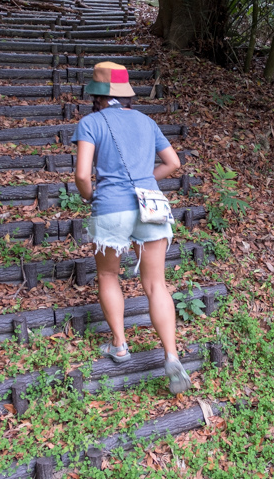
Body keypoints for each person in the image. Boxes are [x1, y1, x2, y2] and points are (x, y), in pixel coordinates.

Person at [72, 61, 192, 395]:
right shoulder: (146, 121)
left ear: (96, 95)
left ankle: (120, 346)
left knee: (109, 275)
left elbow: (82, 175)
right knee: (156, 284)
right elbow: (173, 162)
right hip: (152, 204)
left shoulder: (90, 123)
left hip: (112, 206)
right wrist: (143, 182)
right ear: (126, 95)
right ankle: (171, 354)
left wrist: (91, 195)